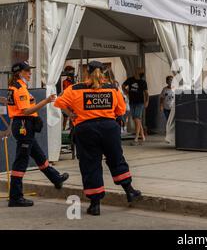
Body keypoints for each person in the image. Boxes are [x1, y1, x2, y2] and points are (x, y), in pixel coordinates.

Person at [54, 61, 142, 216]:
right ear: (103, 72)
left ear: (86, 73)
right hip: (109, 128)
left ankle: (95, 205)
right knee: (116, 159)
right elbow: (120, 110)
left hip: (85, 130)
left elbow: (59, 102)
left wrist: (71, 114)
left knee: (90, 164)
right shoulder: (112, 88)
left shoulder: (74, 88)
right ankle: (130, 191)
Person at [7, 61, 69, 207]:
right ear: (19, 73)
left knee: (39, 156)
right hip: (23, 125)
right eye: (27, 71)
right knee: (21, 161)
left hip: (23, 125)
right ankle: (15, 197)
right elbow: (26, 111)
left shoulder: (18, 86)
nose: (30, 73)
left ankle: (56, 178)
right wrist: (46, 101)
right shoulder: (19, 89)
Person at [122, 68, 149, 144]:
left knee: (137, 119)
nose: (135, 71)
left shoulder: (143, 82)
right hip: (132, 102)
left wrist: (147, 101)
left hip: (140, 102)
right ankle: (142, 135)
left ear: (139, 73)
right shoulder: (130, 79)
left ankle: (136, 137)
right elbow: (123, 85)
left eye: (138, 71)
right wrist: (126, 91)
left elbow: (146, 93)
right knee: (136, 119)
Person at [62, 66, 76, 131]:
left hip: (72, 99)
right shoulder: (65, 81)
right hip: (67, 99)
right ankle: (63, 128)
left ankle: (70, 127)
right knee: (65, 116)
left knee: (72, 115)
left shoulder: (73, 81)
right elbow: (66, 89)